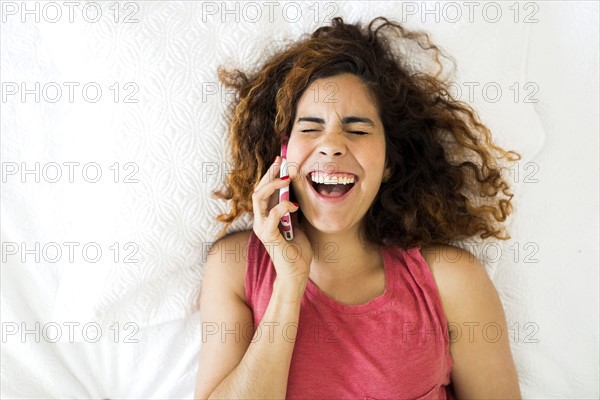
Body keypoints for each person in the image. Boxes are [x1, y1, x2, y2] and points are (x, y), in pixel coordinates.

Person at [194, 16, 521, 399]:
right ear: (282, 157)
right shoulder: (235, 268)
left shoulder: (452, 281)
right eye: (311, 127)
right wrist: (289, 284)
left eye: (358, 129)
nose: (331, 144)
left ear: (388, 164)